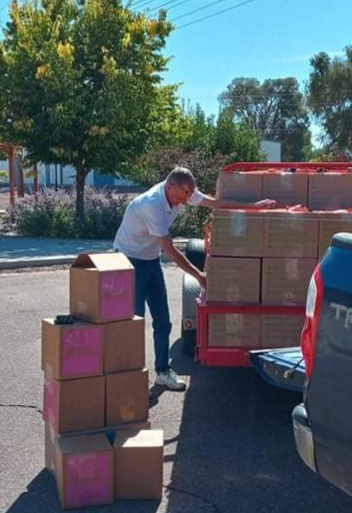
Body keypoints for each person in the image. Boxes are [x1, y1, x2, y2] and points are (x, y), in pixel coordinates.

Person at [114, 167, 276, 391]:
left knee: (163, 321)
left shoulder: (182, 192)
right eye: (185, 193)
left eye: (191, 193)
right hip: (129, 260)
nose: (189, 198)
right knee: (134, 321)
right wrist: (199, 276)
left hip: (150, 259)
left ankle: (162, 371)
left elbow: (214, 203)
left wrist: (252, 207)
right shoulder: (151, 204)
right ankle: (128, 380)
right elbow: (170, 250)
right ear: (170, 187)